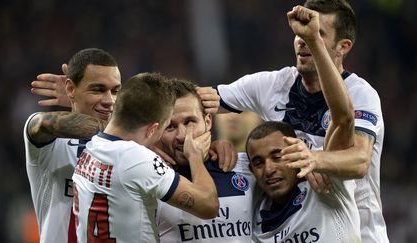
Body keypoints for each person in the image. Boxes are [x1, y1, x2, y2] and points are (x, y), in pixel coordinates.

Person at [198, 1, 389, 242]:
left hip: (356, 233)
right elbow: (196, 103)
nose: (304, 39)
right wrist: (209, 142)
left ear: (343, 47)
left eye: (318, 33)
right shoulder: (273, 85)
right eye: (301, 32)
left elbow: (360, 161)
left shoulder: (361, 94)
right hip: (297, 230)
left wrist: (315, 159)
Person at [72, 73, 219, 242]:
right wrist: (195, 156)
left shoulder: (91, 147)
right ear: (151, 129)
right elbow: (209, 206)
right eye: (167, 127)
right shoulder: (138, 160)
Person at [24, 48, 121, 243]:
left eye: (115, 91)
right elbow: (41, 125)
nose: (110, 100)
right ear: (70, 89)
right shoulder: (49, 142)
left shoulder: (128, 144)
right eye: (98, 89)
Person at [156, 79, 256, 243]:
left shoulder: (246, 167)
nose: (182, 135)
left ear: (208, 121)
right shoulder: (150, 179)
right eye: (170, 126)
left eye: (190, 122)